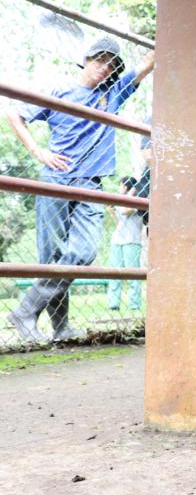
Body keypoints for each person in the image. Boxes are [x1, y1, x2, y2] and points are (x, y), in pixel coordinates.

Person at [5, 37, 155, 341]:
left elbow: (146, 65)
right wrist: (39, 152)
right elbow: (14, 113)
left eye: (111, 65)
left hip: (91, 183)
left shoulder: (112, 94)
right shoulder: (59, 90)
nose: (104, 68)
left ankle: (24, 311)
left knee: (84, 251)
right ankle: (60, 328)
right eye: (100, 60)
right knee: (52, 256)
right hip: (55, 179)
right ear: (86, 59)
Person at [106, 176, 144, 310]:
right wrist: (111, 209)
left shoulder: (136, 201)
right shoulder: (119, 201)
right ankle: (113, 304)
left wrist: (116, 203)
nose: (119, 188)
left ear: (127, 187)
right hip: (118, 239)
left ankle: (134, 304)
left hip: (132, 240)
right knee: (115, 273)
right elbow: (119, 222)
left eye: (121, 185)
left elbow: (125, 211)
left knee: (133, 275)